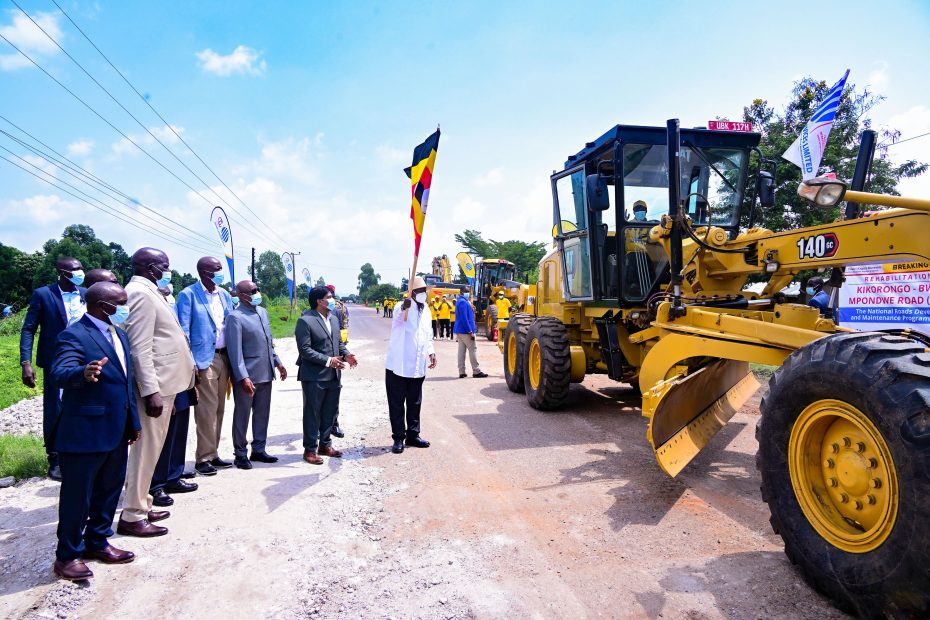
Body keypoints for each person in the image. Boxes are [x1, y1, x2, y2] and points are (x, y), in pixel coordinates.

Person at [50, 281, 141, 580]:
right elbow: (59, 372)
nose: (126, 308)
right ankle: (67, 556)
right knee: (79, 497)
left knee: (108, 491)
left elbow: (126, 382)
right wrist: (83, 372)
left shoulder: (120, 334)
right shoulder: (74, 334)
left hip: (117, 428)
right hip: (85, 432)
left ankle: (98, 541)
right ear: (104, 306)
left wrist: (133, 422)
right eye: (122, 302)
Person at [118, 247, 195, 538]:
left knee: (153, 449)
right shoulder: (139, 293)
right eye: (165, 265)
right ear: (151, 267)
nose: (168, 270)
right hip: (156, 386)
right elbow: (139, 347)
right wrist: (150, 390)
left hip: (167, 383)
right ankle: (133, 515)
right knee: (145, 450)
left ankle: (143, 503)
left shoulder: (151, 291)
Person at [20, 256, 87, 480]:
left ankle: (80, 450)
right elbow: (29, 329)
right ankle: (55, 458)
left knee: (83, 404)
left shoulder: (85, 294)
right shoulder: (44, 294)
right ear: (61, 272)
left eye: (80, 269)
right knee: (55, 408)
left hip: (84, 359)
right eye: (74, 270)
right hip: (55, 361)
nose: (79, 272)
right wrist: (25, 363)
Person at [175, 257, 235, 476]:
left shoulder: (225, 295)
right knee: (206, 410)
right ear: (203, 272)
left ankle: (213, 452)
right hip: (204, 360)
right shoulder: (188, 295)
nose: (221, 272)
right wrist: (190, 364)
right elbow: (184, 331)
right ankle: (203, 458)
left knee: (219, 408)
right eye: (217, 269)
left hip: (224, 357)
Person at [226, 280, 287, 469]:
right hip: (248, 376)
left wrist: (278, 363)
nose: (257, 293)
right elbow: (235, 352)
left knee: (262, 413)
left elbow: (268, 343)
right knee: (242, 415)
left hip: (265, 372)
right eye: (253, 291)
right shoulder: (235, 317)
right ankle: (240, 453)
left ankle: (259, 449)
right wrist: (243, 377)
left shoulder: (262, 312)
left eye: (258, 289)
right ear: (242, 295)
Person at [295, 286, 357, 465]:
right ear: (319, 301)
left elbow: (338, 343)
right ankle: (310, 450)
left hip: (334, 375)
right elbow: (305, 350)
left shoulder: (334, 319)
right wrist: (329, 361)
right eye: (329, 297)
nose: (332, 299)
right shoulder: (305, 321)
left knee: (330, 412)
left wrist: (347, 355)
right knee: (312, 413)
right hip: (314, 375)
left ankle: (325, 444)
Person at [385, 276, 436, 454]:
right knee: (397, 403)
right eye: (421, 291)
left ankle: (413, 435)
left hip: (417, 365)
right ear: (412, 293)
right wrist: (404, 307)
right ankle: (398, 438)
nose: (424, 294)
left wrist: (431, 351)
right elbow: (398, 319)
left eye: (425, 291)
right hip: (398, 366)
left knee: (415, 402)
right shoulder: (402, 307)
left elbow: (427, 334)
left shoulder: (427, 310)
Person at [325, 284, 347, 438]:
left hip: (336, 355)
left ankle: (334, 424)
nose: (330, 298)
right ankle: (320, 428)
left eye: (331, 294)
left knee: (334, 392)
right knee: (317, 398)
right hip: (318, 361)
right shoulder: (309, 313)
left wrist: (344, 352)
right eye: (327, 296)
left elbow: (343, 330)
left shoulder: (339, 309)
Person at [454, 290, 488, 379]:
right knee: (473, 349)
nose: (468, 293)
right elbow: (464, 318)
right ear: (461, 292)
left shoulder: (460, 301)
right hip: (465, 331)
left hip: (461, 331)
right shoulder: (463, 302)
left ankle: (462, 372)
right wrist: (470, 331)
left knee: (461, 351)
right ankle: (476, 371)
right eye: (466, 291)